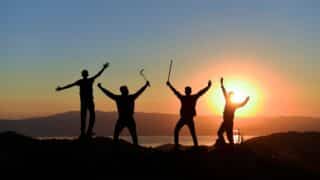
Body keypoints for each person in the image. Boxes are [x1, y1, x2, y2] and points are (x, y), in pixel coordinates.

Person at [56, 63, 109, 138]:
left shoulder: (82, 81)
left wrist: (61, 89)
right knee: (90, 116)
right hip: (88, 101)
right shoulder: (88, 80)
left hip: (86, 101)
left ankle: (86, 132)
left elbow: (70, 85)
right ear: (87, 74)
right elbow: (98, 74)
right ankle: (87, 132)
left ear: (83, 75)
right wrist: (104, 68)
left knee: (85, 117)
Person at [97, 81, 150, 145]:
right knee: (133, 136)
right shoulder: (130, 97)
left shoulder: (119, 98)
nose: (128, 90)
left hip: (122, 119)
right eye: (127, 89)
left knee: (116, 136)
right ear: (125, 91)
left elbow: (108, 93)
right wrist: (146, 85)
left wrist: (101, 87)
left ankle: (115, 149)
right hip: (129, 119)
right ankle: (135, 149)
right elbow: (140, 92)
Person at [167, 80, 211, 148]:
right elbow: (201, 92)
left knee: (177, 130)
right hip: (189, 118)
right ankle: (195, 146)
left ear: (186, 91)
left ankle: (177, 146)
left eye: (186, 90)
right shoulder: (192, 97)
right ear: (190, 91)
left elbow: (175, 92)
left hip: (184, 118)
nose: (186, 91)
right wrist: (208, 87)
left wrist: (169, 85)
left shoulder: (183, 98)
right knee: (192, 134)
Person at [217, 77, 250, 146]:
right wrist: (222, 85)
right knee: (221, 133)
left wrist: (246, 100)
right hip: (226, 121)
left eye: (229, 95)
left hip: (228, 121)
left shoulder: (232, 104)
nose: (228, 96)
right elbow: (224, 93)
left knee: (228, 135)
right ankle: (225, 145)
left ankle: (230, 147)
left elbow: (242, 104)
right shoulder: (230, 102)